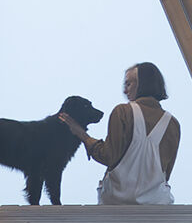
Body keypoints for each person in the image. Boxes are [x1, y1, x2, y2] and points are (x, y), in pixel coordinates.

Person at [59, 61, 179, 204]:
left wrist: (81, 134)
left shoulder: (123, 112)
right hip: (157, 204)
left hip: (117, 203)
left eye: (128, 84)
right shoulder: (172, 123)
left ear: (143, 84)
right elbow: (165, 173)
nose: (124, 91)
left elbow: (108, 156)